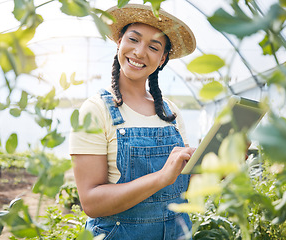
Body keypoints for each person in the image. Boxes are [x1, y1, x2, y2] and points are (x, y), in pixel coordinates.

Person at [69, 4, 196, 239]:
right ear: (119, 42)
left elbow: (180, 190)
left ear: (162, 58)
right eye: (133, 39)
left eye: (153, 47)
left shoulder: (170, 112)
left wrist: (221, 166)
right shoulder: (95, 110)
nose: (139, 52)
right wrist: (160, 177)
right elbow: (92, 203)